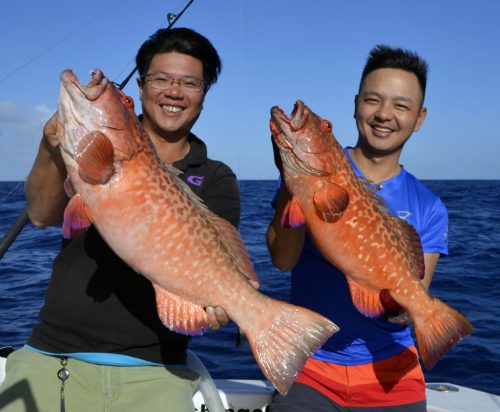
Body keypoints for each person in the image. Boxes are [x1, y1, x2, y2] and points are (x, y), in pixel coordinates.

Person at [0, 28, 238, 412]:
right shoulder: (89, 154)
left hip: (159, 372)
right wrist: (52, 146)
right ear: (141, 87)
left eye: (190, 82)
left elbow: (217, 259)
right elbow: (43, 215)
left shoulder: (215, 176)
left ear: (204, 95)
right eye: (161, 79)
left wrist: (225, 301)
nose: (174, 92)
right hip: (53, 355)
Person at [266, 45, 448, 411]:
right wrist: (293, 183)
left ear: (420, 117)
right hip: (311, 365)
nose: (384, 115)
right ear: (355, 104)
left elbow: (410, 304)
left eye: (401, 105)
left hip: (392, 372)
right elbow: (283, 261)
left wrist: (393, 294)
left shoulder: (429, 207)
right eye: (373, 100)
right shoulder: (317, 171)